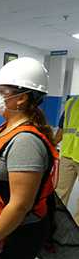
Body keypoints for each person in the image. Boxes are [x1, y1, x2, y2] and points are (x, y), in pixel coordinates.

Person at [0, 57, 59, 259]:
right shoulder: (5, 128)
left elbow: (20, 205)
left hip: (16, 232)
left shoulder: (25, 143)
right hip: (2, 224)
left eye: (0, 91)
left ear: (21, 98)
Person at [55, 95, 79, 225]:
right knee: (59, 194)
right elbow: (61, 130)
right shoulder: (71, 102)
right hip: (68, 155)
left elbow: (60, 131)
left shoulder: (71, 101)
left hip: (67, 155)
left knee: (60, 193)